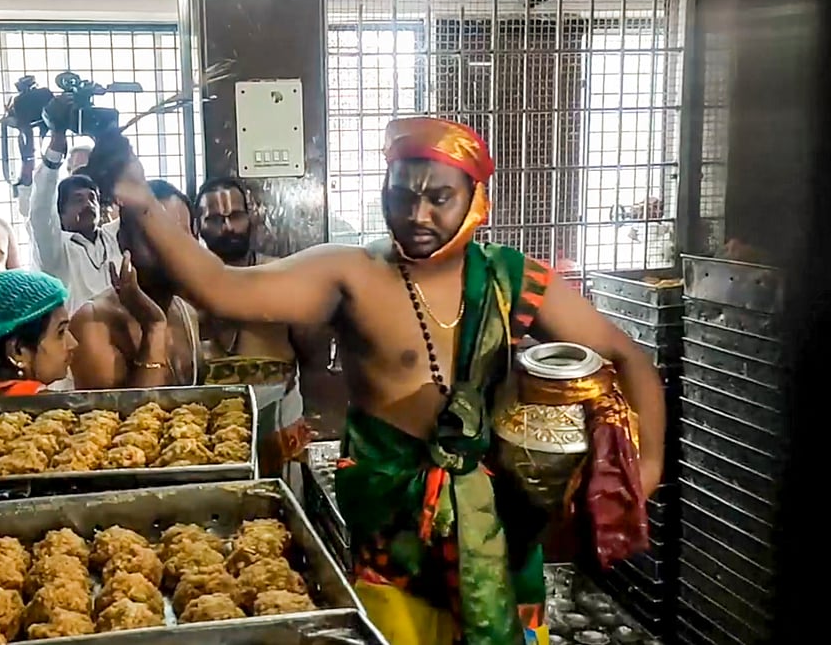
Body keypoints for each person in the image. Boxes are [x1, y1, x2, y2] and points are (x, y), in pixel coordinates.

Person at [96, 118, 666, 645]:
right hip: (392, 523)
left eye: (440, 198)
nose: (418, 215)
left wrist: (646, 468)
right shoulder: (353, 274)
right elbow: (222, 287)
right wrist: (141, 199)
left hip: (496, 520)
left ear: (474, 199)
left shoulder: (510, 278)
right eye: (402, 195)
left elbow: (626, 355)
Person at [195, 177, 316, 469]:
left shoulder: (281, 276)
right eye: (214, 219)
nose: (227, 228)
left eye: (235, 216)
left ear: (251, 218)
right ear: (198, 225)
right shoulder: (187, 286)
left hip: (279, 412)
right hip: (208, 423)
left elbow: (311, 355)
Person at [69, 180, 201, 390]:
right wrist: (153, 328)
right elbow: (123, 421)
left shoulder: (187, 312)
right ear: (123, 242)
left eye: (182, 237)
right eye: (157, 239)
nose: (174, 251)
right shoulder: (93, 322)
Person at [16, 116, 119, 313]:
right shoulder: (55, 248)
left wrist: (108, 137)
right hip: (73, 339)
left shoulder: (112, 237)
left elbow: (137, 201)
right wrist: (56, 145)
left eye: (92, 198)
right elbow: (41, 210)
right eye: (78, 200)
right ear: (60, 213)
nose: (88, 204)